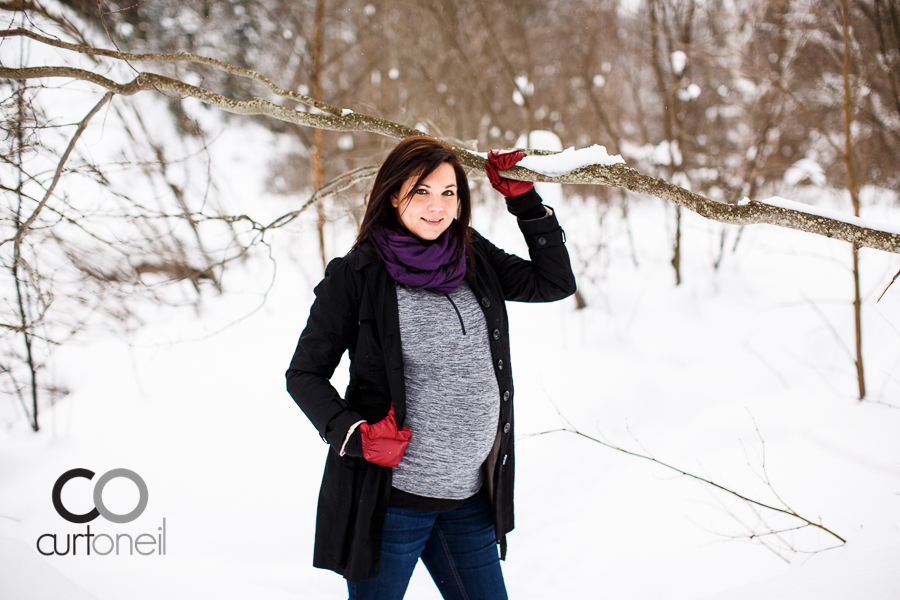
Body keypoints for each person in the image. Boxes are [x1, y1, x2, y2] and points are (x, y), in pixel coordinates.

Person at [286, 135, 576, 599]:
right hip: (392, 503)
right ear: (393, 194)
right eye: (421, 191)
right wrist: (351, 432)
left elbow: (553, 283)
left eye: (449, 192)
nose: (437, 207)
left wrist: (526, 203)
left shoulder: (469, 255)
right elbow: (303, 373)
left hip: (469, 498)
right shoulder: (356, 274)